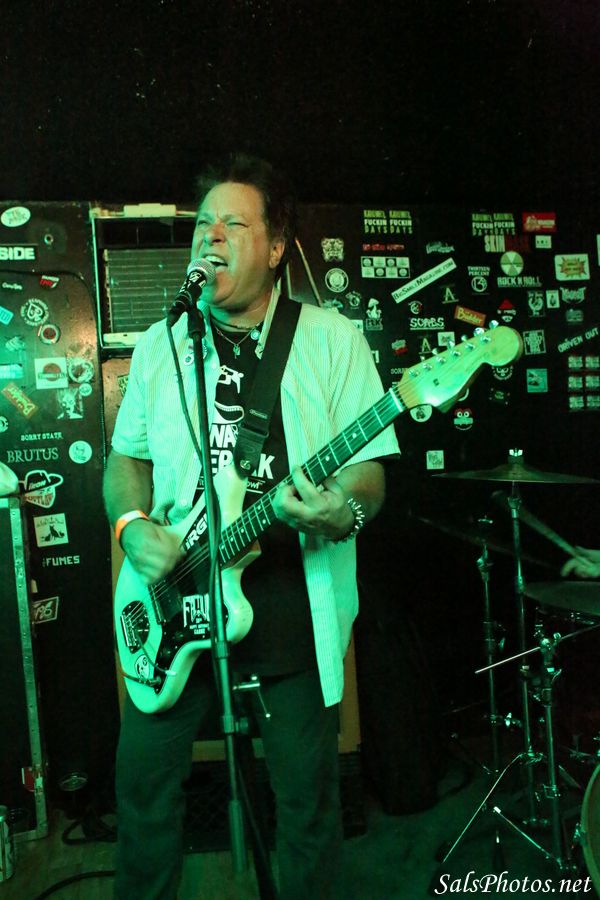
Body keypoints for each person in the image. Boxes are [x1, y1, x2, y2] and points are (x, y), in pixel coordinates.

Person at [103, 153, 400, 900]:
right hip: (173, 599)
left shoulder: (331, 338)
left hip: (291, 602)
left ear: (274, 248)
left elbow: (368, 474)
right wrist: (131, 525)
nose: (211, 235)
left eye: (233, 223)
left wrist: (343, 510)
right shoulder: (159, 345)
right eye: (203, 222)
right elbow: (125, 461)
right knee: (143, 791)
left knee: (306, 803)